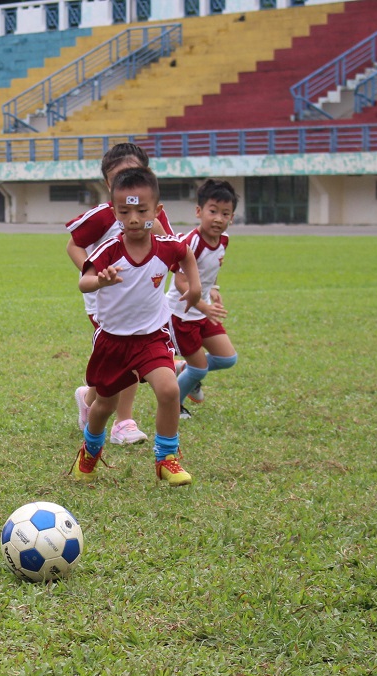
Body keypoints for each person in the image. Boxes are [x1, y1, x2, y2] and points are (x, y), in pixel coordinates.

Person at [71, 166, 201, 487]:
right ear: (114, 213)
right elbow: (84, 281)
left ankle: (166, 459)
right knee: (103, 406)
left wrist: (194, 287)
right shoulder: (109, 250)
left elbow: (186, 255)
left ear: (156, 211)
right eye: (124, 211)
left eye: (141, 210)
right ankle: (90, 449)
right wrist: (99, 279)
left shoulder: (166, 245)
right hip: (112, 342)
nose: (133, 218)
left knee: (169, 390)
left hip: (151, 338)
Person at [66, 142, 176, 446]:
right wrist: (94, 273)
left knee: (125, 362)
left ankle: (89, 399)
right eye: (118, 179)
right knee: (126, 355)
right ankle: (123, 421)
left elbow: (171, 250)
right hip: (107, 302)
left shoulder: (154, 217)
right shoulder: (103, 217)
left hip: (145, 302)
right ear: (108, 184)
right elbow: (73, 245)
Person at [169, 179, 239, 418]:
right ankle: (173, 407)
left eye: (225, 213)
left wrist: (213, 288)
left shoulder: (224, 240)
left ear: (232, 216)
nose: (219, 218)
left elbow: (209, 269)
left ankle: (184, 370)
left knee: (227, 358)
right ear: (199, 211)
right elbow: (180, 282)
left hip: (203, 310)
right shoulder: (191, 243)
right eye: (213, 211)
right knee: (199, 370)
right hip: (182, 314)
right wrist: (202, 305)